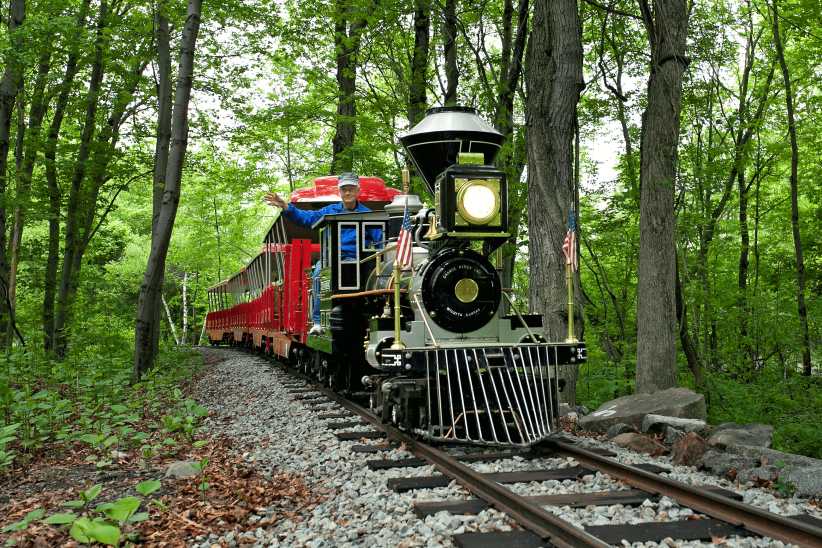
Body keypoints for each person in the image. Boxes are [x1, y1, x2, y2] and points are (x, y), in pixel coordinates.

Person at [265, 172, 381, 335]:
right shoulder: (330, 210)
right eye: (344, 189)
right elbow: (307, 218)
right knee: (320, 272)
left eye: (351, 189)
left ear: (357, 191)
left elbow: (380, 240)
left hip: (358, 260)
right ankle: (318, 321)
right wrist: (286, 207)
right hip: (331, 259)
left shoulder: (367, 214)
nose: (347, 193)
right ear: (339, 191)